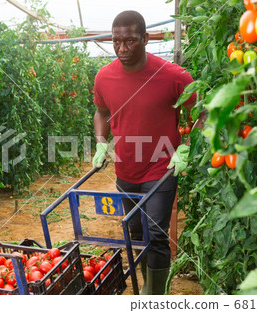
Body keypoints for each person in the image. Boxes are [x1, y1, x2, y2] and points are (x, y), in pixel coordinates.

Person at [91, 10, 205, 295]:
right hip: (125, 170)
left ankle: (155, 296)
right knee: (136, 233)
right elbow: (101, 111)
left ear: (145, 38)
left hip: (161, 168)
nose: (121, 49)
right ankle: (147, 285)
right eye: (116, 41)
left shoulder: (172, 75)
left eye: (129, 41)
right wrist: (100, 140)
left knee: (156, 234)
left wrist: (187, 147)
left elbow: (203, 112)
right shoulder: (104, 77)